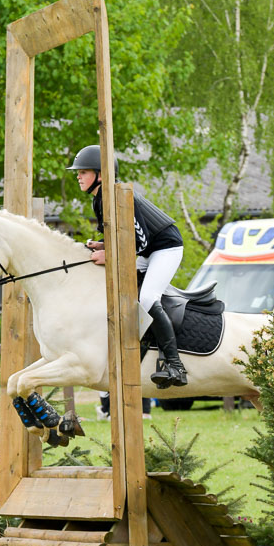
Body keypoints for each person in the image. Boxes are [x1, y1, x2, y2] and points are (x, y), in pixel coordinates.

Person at [67, 144, 187, 390]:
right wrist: (101, 245)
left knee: (147, 298)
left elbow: (139, 240)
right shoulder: (99, 200)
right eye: (78, 172)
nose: (78, 176)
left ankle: (175, 365)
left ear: (101, 174)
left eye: (83, 171)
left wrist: (110, 256)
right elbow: (121, 238)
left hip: (164, 248)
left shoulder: (118, 196)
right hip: (146, 250)